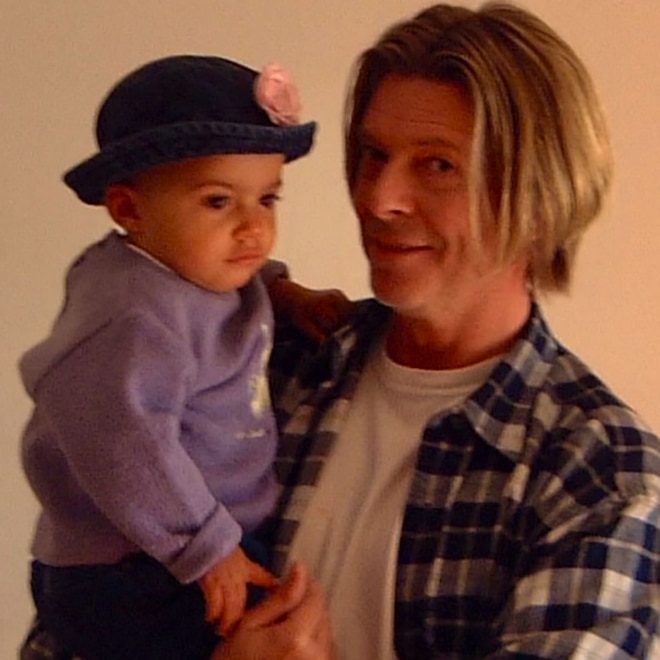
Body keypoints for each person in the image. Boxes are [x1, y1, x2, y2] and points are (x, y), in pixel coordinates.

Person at [20, 2, 660, 659]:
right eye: (374, 155)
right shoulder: (263, 359)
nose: (379, 199)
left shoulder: (599, 472)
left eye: (438, 165)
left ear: (542, 194)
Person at [18, 54, 320, 660]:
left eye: (267, 199)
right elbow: (124, 441)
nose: (253, 228)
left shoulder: (190, 269)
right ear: (129, 210)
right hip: (135, 566)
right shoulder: (131, 316)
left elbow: (223, 293)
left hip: (189, 543)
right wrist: (205, 544)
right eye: (218, 202)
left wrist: (285, 293)